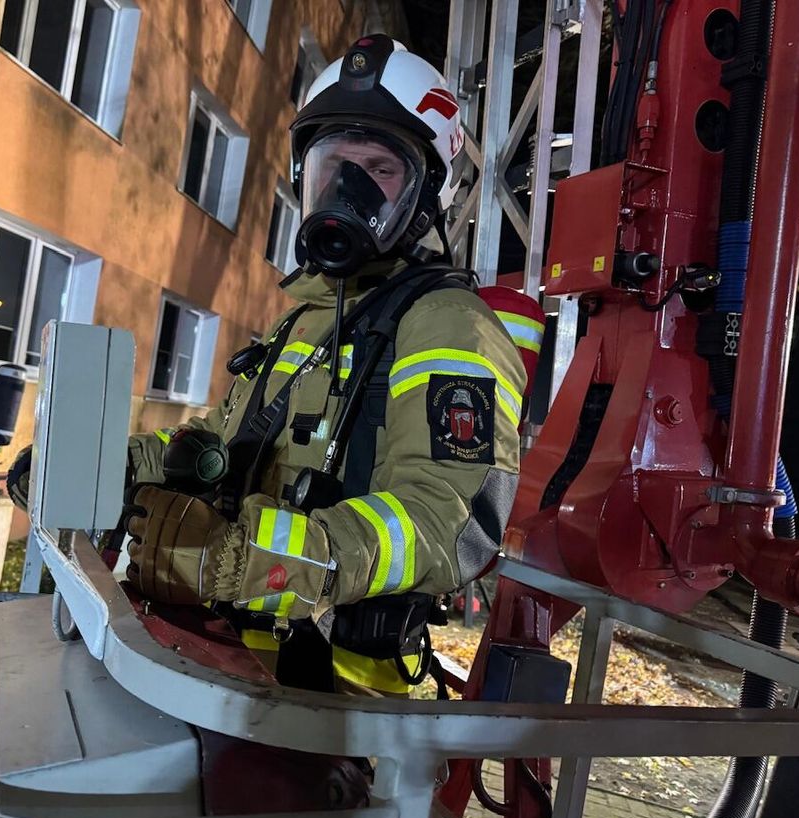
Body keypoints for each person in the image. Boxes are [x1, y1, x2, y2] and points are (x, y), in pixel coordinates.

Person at [125, 36, 526, 697]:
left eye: (379, 168)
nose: (348, 186)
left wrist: (247, 561)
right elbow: (218, 446)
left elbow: (444, 523)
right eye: (332, 161)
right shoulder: (304, 316)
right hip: (226, 654)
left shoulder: (447, 326)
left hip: (338, 694)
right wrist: (108, 467)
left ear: (428, 196)